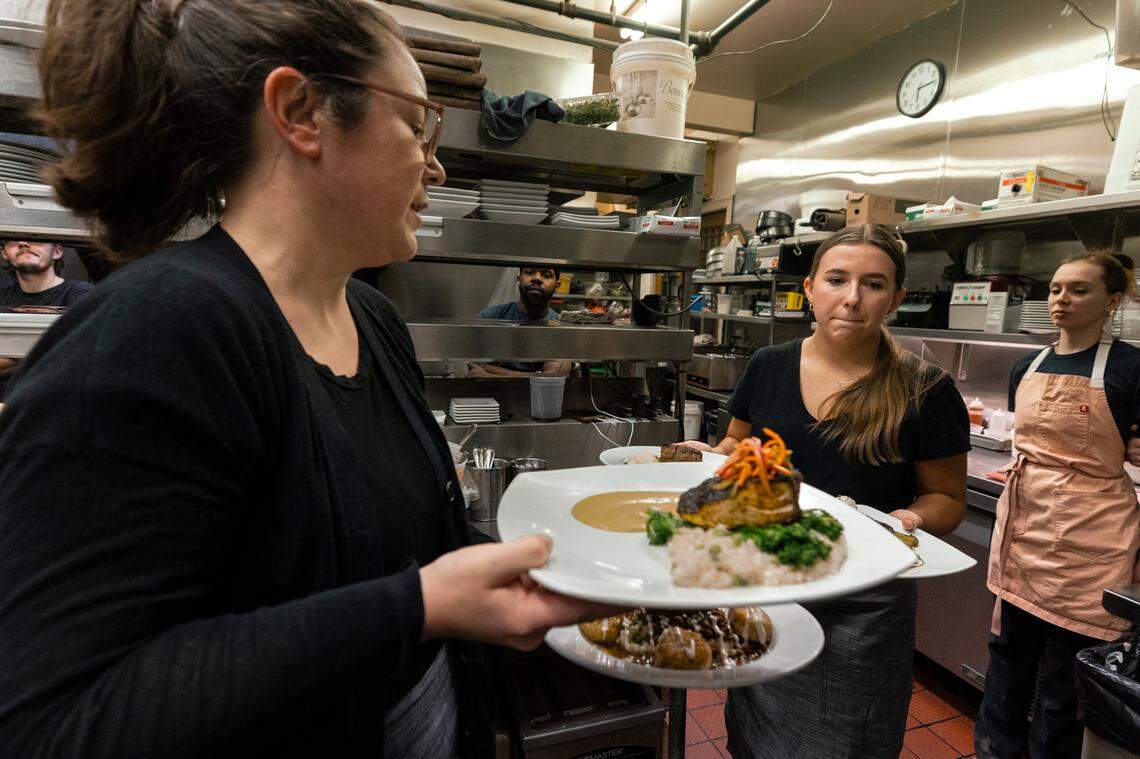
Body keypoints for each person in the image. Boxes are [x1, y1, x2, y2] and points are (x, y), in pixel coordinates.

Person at [0, 3, 615, 758]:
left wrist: (601, 578)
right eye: (419, 123)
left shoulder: (372, 317)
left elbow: (406, 545)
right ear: (302, 112)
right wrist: (418, 606)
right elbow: (52, 721)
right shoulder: (162, 330)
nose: (437, 163)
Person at [682, 224, 970, 758]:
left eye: (874, 284)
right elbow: (736, 445)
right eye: (837, 279)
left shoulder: (926, 389)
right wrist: (710, 457)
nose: (853, 298)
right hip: (764, 581)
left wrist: (908, 520)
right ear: (810, 288)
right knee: (752, 730)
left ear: (897, 299)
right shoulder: (768, 365)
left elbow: (947, 500)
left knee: (844, 740)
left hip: (862, 601)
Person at [975, 252, 1140, 759]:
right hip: (1026, 523)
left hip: (1093, 532)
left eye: (1079, 289)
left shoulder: (1132, 367)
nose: (1061, 299)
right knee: (1008, 660)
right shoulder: (1029, 364)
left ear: (1112, 301)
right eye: (1054, 288)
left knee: (1067, 680)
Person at [469, 265, 570, 377]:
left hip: (537, 394)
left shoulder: (561, 327)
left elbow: (551, 378)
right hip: (492, 392)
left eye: (546, 275)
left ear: (557, 286)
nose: (536, 278)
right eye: (529, 272)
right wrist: (535, 375)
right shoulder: (491, 316)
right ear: (518, 280)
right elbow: (473, 363)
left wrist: (490, 375)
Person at [0, 239, 93, 307]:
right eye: (13, 239)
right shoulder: (3, 297)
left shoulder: (80, 293)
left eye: (35, 237)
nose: (23, 243)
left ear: (57, 251)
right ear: (4, 253)